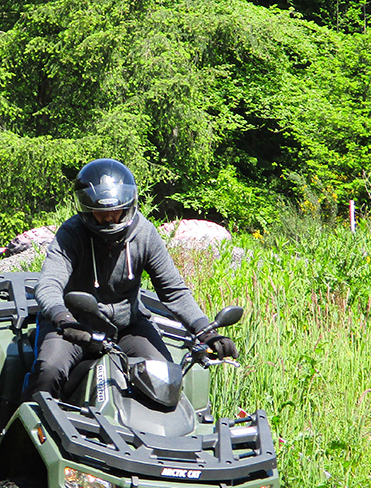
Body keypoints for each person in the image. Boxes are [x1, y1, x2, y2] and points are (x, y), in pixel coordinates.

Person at [26, 158, 238, 399]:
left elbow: (173, 291)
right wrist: (62, 318)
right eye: (100, 213)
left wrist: (206, 331)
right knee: (49, 371)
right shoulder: (71, 233)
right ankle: (26, 430)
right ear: (86, 209)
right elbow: (48, 284)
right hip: (74, 325)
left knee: (165, 379)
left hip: (127, 326)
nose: (108, 219)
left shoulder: (144, 234)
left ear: (128, 205)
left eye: (115, 212)